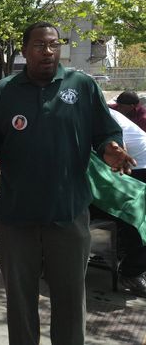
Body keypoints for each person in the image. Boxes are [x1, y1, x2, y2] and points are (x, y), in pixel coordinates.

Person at [0, 21, 135, 345]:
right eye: (39, 45)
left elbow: (105, 133)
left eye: (54, 44)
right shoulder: (2, 92)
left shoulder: (83, 86)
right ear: (24, 51)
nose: (48, 51)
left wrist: (110, 149)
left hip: (69, 213)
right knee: (20, 302)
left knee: (71, 300)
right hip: (16, 216)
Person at [89, 109, 146, 295]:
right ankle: (132, 272)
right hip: (91, 199)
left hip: (110, 186)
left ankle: (133, 266)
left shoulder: (104, 125)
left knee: (137, 208)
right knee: (133, 215)